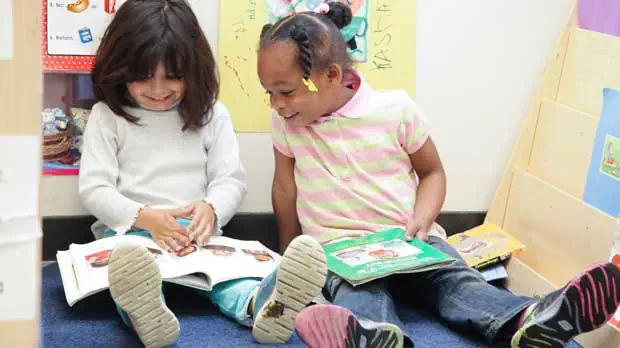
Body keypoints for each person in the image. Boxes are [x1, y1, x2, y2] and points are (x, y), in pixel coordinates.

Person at [256, 2, 620, 348]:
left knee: (456, 282)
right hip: (339, 251)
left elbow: (432, 173)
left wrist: (422, 220)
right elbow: (285, 189)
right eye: (269, 94)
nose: (276, 104)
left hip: (406, 240)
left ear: (331, 75)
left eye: (285, 92)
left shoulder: (395, 110)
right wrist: (290, 253)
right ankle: (373, 335)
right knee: (357, 295)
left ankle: (528, 317)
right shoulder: (288, 124)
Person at [79, 1, 326, 347]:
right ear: (119, 68)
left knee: (230, 281)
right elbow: (94, 188)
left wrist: (211, 210)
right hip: (132, 236)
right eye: (143, 77)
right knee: (131, 277)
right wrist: (146, 218)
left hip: (198, 236)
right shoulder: (107, 117)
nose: (158, 89)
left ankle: (263, 305)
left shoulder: (213, 114)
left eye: (173, 76)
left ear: (194, 70)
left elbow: (230, 180)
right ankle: (146, 316)